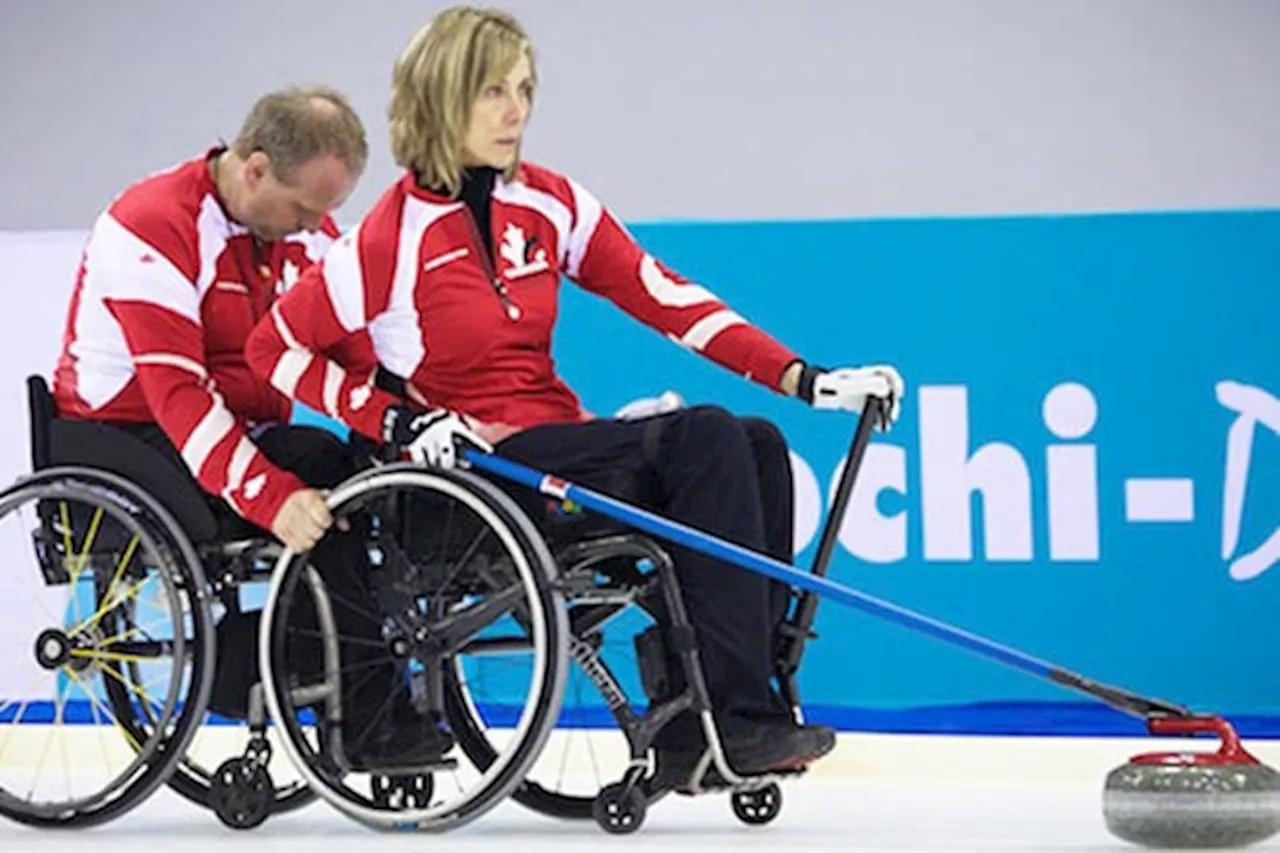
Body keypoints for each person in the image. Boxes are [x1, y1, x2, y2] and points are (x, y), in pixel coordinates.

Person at [244, 7, 905, 789]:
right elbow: (273, 348)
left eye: (524, 88)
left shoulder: (548, 202)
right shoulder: (390, 237)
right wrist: (395, 418)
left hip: (556, 442)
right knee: (704, 437)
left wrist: (802, 376)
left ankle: (721, 705)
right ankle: (720, 717)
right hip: (475, 471)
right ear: (440, 96)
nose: (516, 110)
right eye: (493, 90)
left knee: (756, 441)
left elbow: (662, 295)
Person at [50, 85, 446, 770]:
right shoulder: (151, 226)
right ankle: (360, 713)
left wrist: (417, 425)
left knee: (360, 478)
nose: (312, 225)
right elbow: (178, 396)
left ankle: (324, 671)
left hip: (238, 425)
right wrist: (272, 498)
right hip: (127, 440)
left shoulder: (305, 230)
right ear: (255, 168)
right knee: (315, 491)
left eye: (326, 212)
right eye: (302, 208)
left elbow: (363, 353)